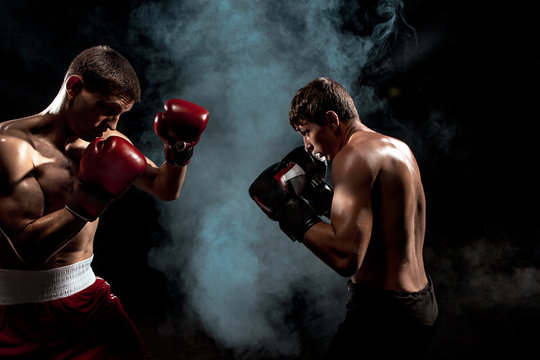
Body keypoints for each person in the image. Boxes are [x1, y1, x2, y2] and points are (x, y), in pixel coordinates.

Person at [0, 45, 209, 359]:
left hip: (87, 299)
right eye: (107, 108)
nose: (113, 124)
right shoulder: (12, 148)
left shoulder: (106, 140)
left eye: (120, 115)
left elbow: (165, 188)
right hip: (18, 312)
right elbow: (30, 249)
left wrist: (179, 151)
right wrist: (93, 197)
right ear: (74, 87)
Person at [249, 77, 437, 359]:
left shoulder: (352, 157)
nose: (307, 145)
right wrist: (323, 199)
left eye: (307, 132)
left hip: (384, 315)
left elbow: (345, 257)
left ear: (332, 120)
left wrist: (287, 208)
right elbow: (381, 224)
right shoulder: (397, 148)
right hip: (421, 303)